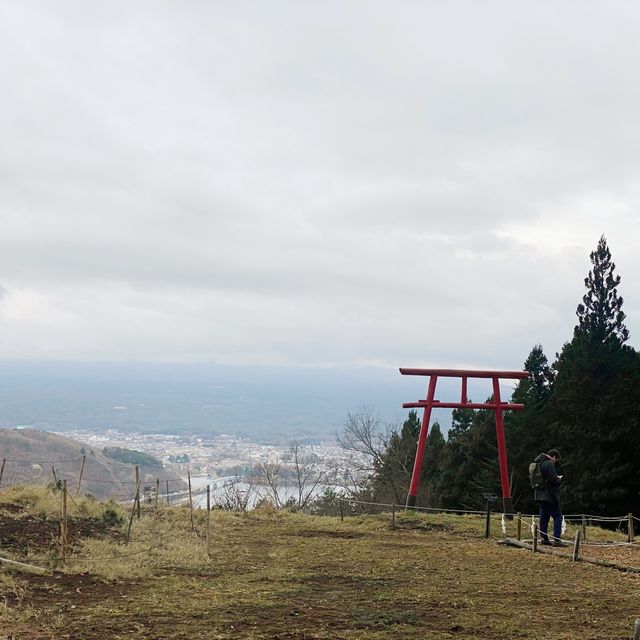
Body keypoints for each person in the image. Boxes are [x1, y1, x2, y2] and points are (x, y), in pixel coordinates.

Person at [533, 448, 566, 546]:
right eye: (556, 460)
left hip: (539, 494)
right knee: (558, 516)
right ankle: (557, 539)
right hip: (549, 495)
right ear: (554, 457)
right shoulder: (549, 464)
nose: (555, 462)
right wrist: (558, 479)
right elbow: (553, 480)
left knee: (544, 517)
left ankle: (544, 538)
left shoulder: (538, 463)